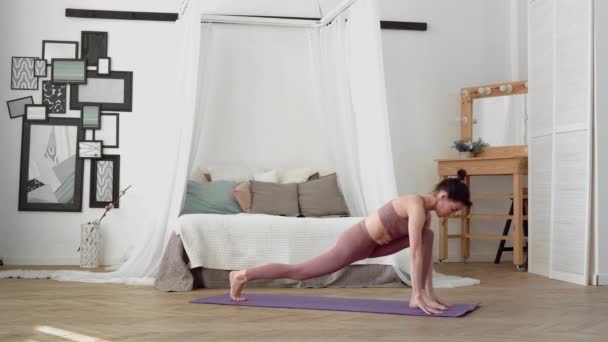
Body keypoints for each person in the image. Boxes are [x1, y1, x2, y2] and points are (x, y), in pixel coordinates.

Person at [229, 169, 472, 315]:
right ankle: (241, 275)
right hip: (356, 242)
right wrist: (416, 291)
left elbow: (423, 253)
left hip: (376, 246)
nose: (451, 214)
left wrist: (427, 291)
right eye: (453, 208)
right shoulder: (415, 204)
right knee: (301, 272)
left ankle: (423, 294)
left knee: (427, 236)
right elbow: (416, 254)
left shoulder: (426, 216)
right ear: (443, 196)